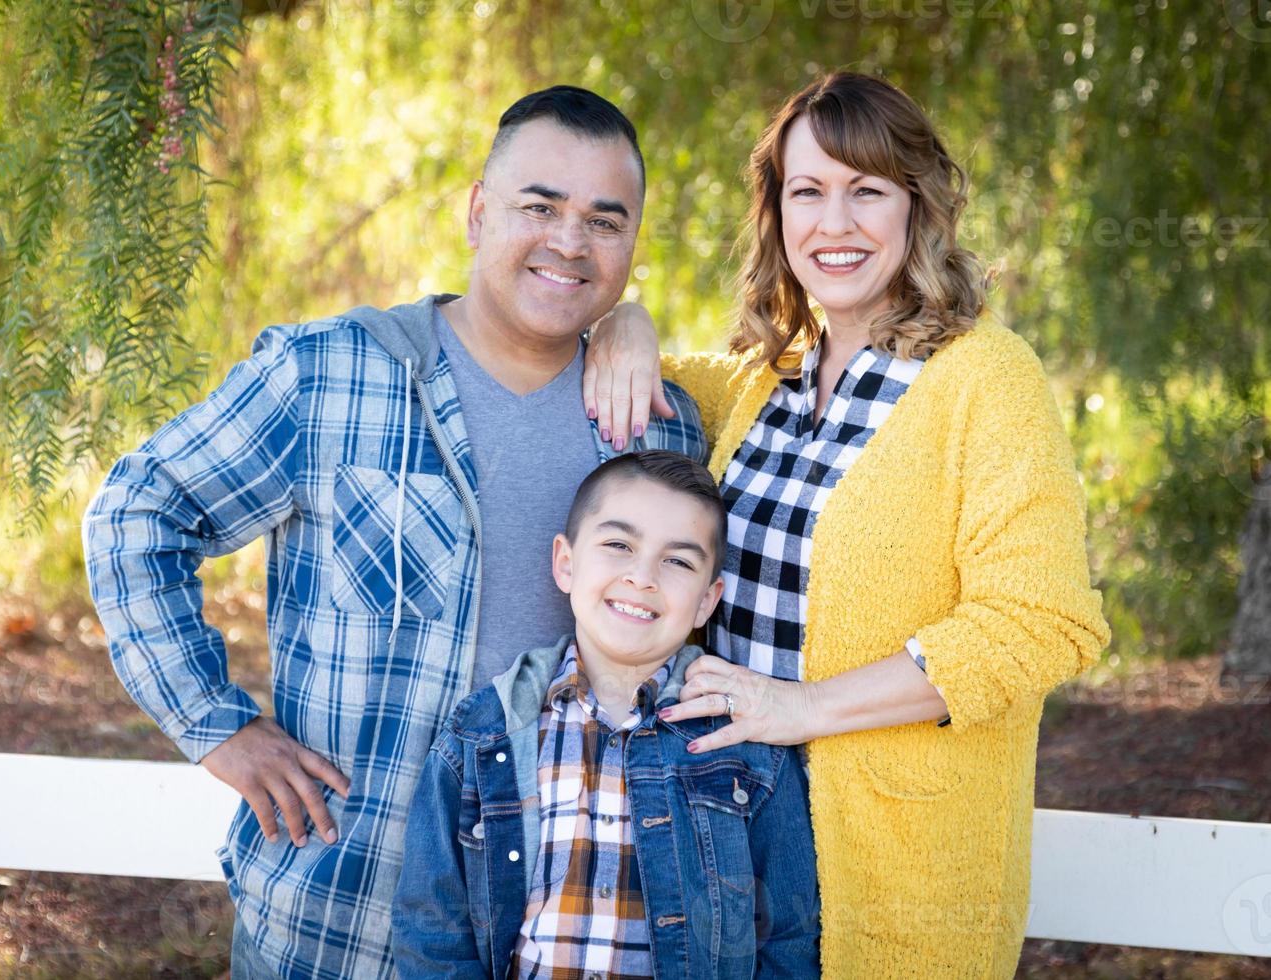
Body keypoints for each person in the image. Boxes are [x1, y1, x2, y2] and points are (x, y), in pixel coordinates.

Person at [81, 87, 705, 979]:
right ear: (477, 211)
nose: (570, 242)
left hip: (561, 935)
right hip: (339, 923)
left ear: (632, 243)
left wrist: (634, 326)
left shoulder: (657, 430)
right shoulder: (332, 375)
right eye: (540, 207)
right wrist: (216, 728)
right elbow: (138, 511)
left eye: (605, 222)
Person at [583, 72, 1112, 976]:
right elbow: (633, 362)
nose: (835, 224)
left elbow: (1041, 623)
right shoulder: (762, 381)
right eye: (808, 192)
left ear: (918, 205)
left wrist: (805, 708)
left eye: (866, 191)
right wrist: (622, 318)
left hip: (896, 876)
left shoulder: (987, 380)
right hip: (727, 861)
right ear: (776, 212)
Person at [392, 450, 821, 979]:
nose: (642, 577)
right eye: (619, 545)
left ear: (707, 602)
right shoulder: (481, 736)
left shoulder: (746, 746)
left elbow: (790, 937)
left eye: (678, 561)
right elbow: (431, 928)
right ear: (566, 563)